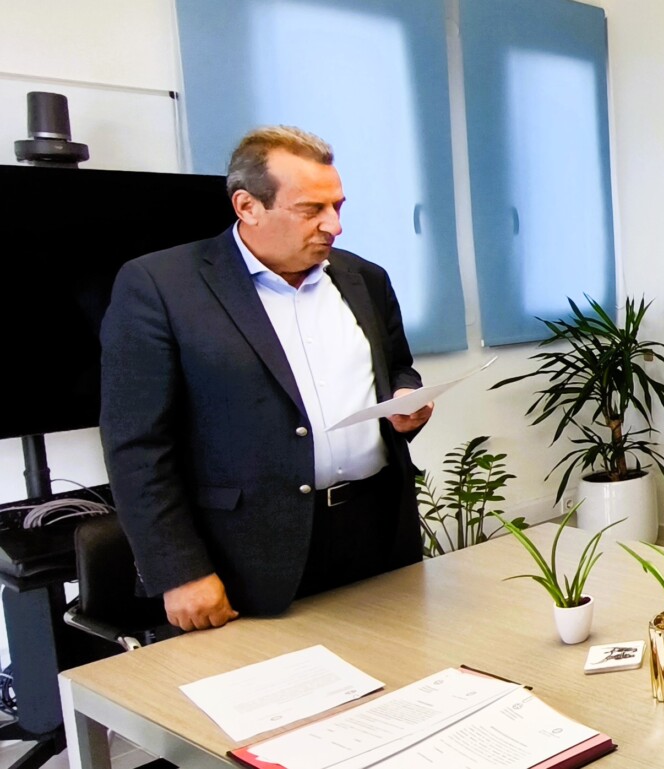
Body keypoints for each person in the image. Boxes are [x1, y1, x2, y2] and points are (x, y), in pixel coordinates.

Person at [101, 125, 434, 632]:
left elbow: (396, 366)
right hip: (250, 552)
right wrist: (180, 571)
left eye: (337, 206)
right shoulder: (160, 286)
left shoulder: (364, 278)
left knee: (397, 667)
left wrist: (405, 395)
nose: (334, 225)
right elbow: (137, 446)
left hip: (377, 530)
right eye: (311, 209)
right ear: (248, 206)